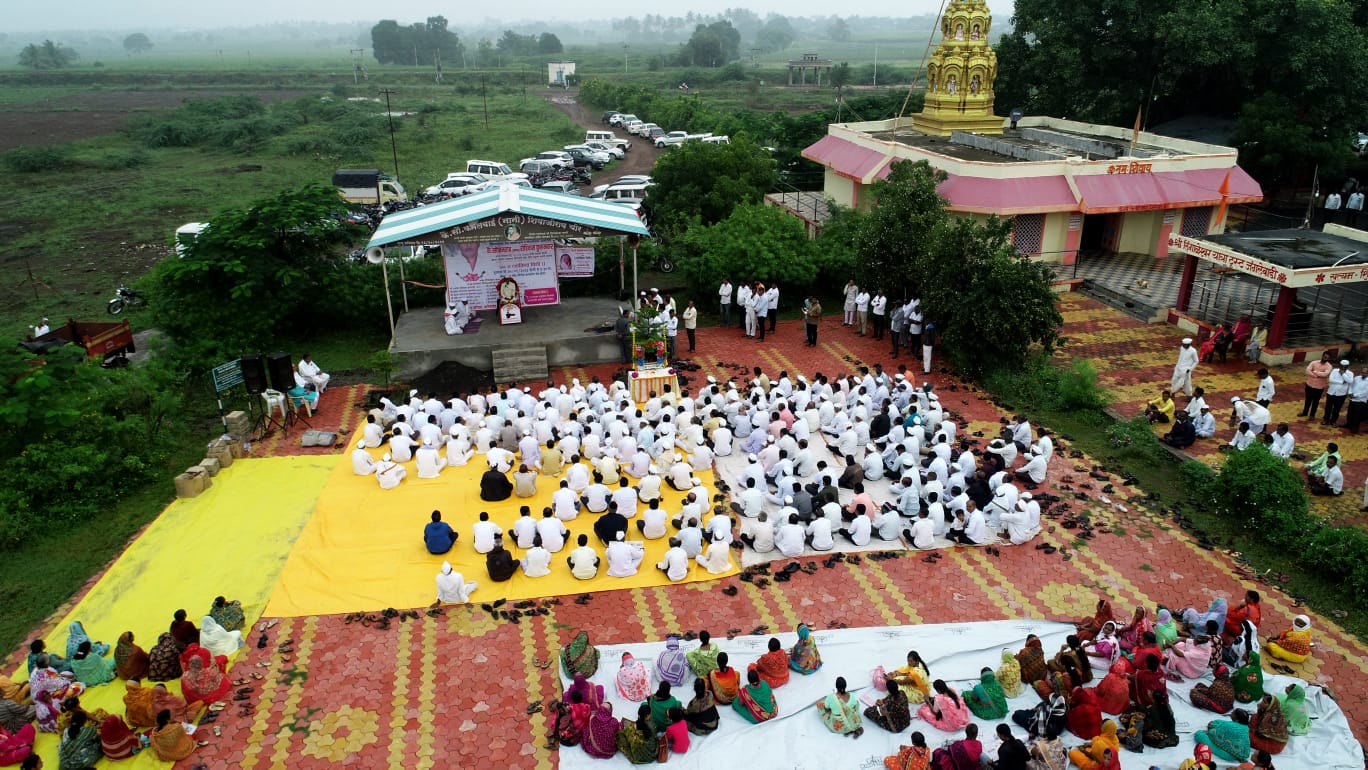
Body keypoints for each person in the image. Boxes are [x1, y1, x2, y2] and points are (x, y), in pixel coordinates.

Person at [178, 644, 228, 708]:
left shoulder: (184, 676)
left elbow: (186, 692)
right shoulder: (208, 672)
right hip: (211, 695)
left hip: (196, 699)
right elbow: (219, 678)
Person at [1324, 359, 1353, 425]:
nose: (1343, 367)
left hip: (1341, 394)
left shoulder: (1350, 373)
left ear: (1347, 366)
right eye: (1341, 365)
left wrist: (1343, 374)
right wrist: (1341, 382)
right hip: (1331, 392)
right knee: (1328, 407)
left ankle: (1333, 421)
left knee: (1337, 408)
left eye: (1345, 366)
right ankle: (1326, 419)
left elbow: (1350, 381)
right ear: (1339, 365)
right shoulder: (1334, 371)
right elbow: (1331, 380)